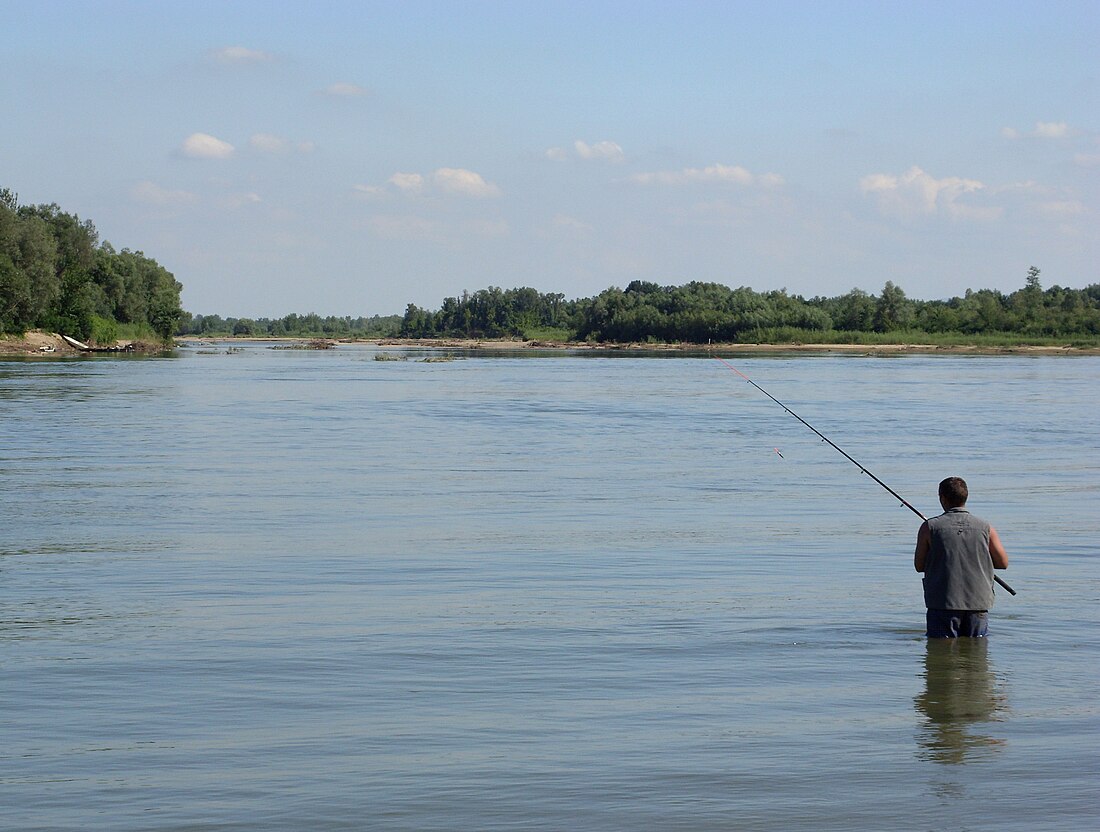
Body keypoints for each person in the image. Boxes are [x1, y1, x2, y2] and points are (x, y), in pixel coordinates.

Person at [914, 477, 1009, 638]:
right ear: (966, 497)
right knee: (976, 654)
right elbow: (1003, 563)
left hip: (942, 603)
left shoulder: (929, 527)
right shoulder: (986, 527)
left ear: (942, 498)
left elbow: (919, 565)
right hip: (978, 602)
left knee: (942, 655)